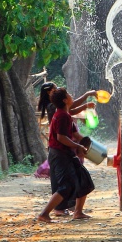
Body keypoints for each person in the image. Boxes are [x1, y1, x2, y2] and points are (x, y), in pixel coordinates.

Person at [36, 82, 97, 216]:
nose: (71, 96)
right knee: (65, 186)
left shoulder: (66, 115)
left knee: (83, 180)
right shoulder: (61, 115)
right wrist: (78, 146)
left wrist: (91, 145)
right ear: (64, 100)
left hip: (66, 152)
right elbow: (61, 138)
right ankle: (44, 214)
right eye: (68, 95)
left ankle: (78, 212)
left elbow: (75, 134)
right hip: (60, 153)